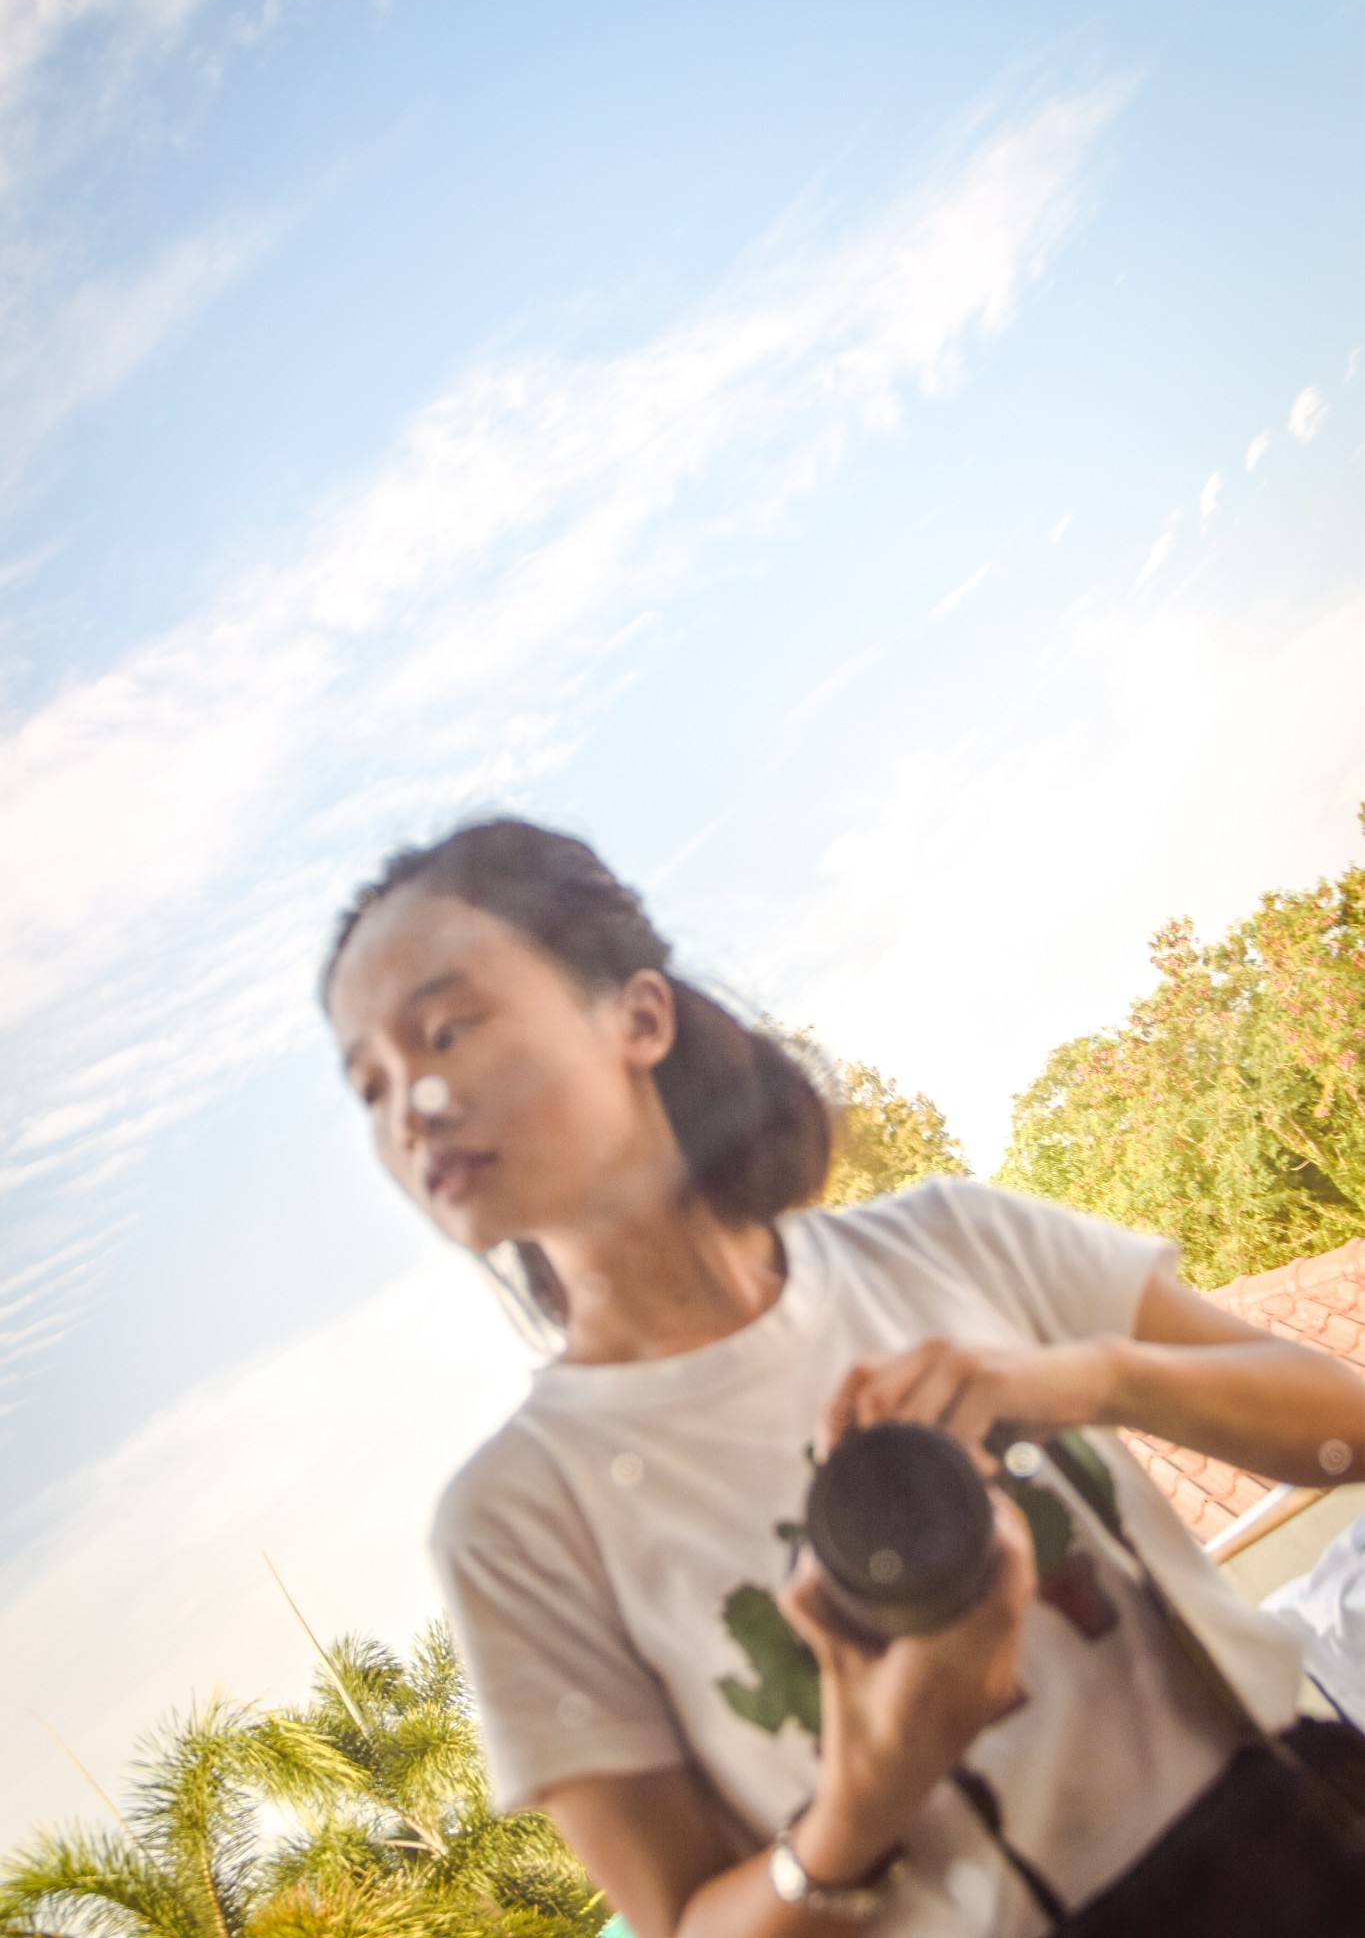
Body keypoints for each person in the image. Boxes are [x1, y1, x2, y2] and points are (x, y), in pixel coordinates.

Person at [323, 816, 1365, 1938]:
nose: (413, 1105)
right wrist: (870, 1793)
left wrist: (1091, 1376)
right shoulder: (513, 1519)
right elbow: (676, 1922)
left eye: (447, 1028)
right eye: (370, 1084)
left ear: (637, 1013)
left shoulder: (958, 1238)